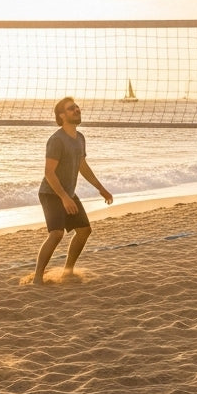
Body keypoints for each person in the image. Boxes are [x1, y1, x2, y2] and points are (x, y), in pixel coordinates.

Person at [33, 96, 113, 284]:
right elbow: (49, 173)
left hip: (67, 193)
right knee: (56, 234)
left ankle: (67, 271)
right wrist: (64, 198)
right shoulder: (56, 140)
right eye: (71, 108)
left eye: (77, 107)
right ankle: (38, 277)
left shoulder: (80, 138)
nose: (76, 110)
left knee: (84, 230)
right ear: (61, 115)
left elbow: (82, 166)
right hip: (51, 192)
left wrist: (101, 188)